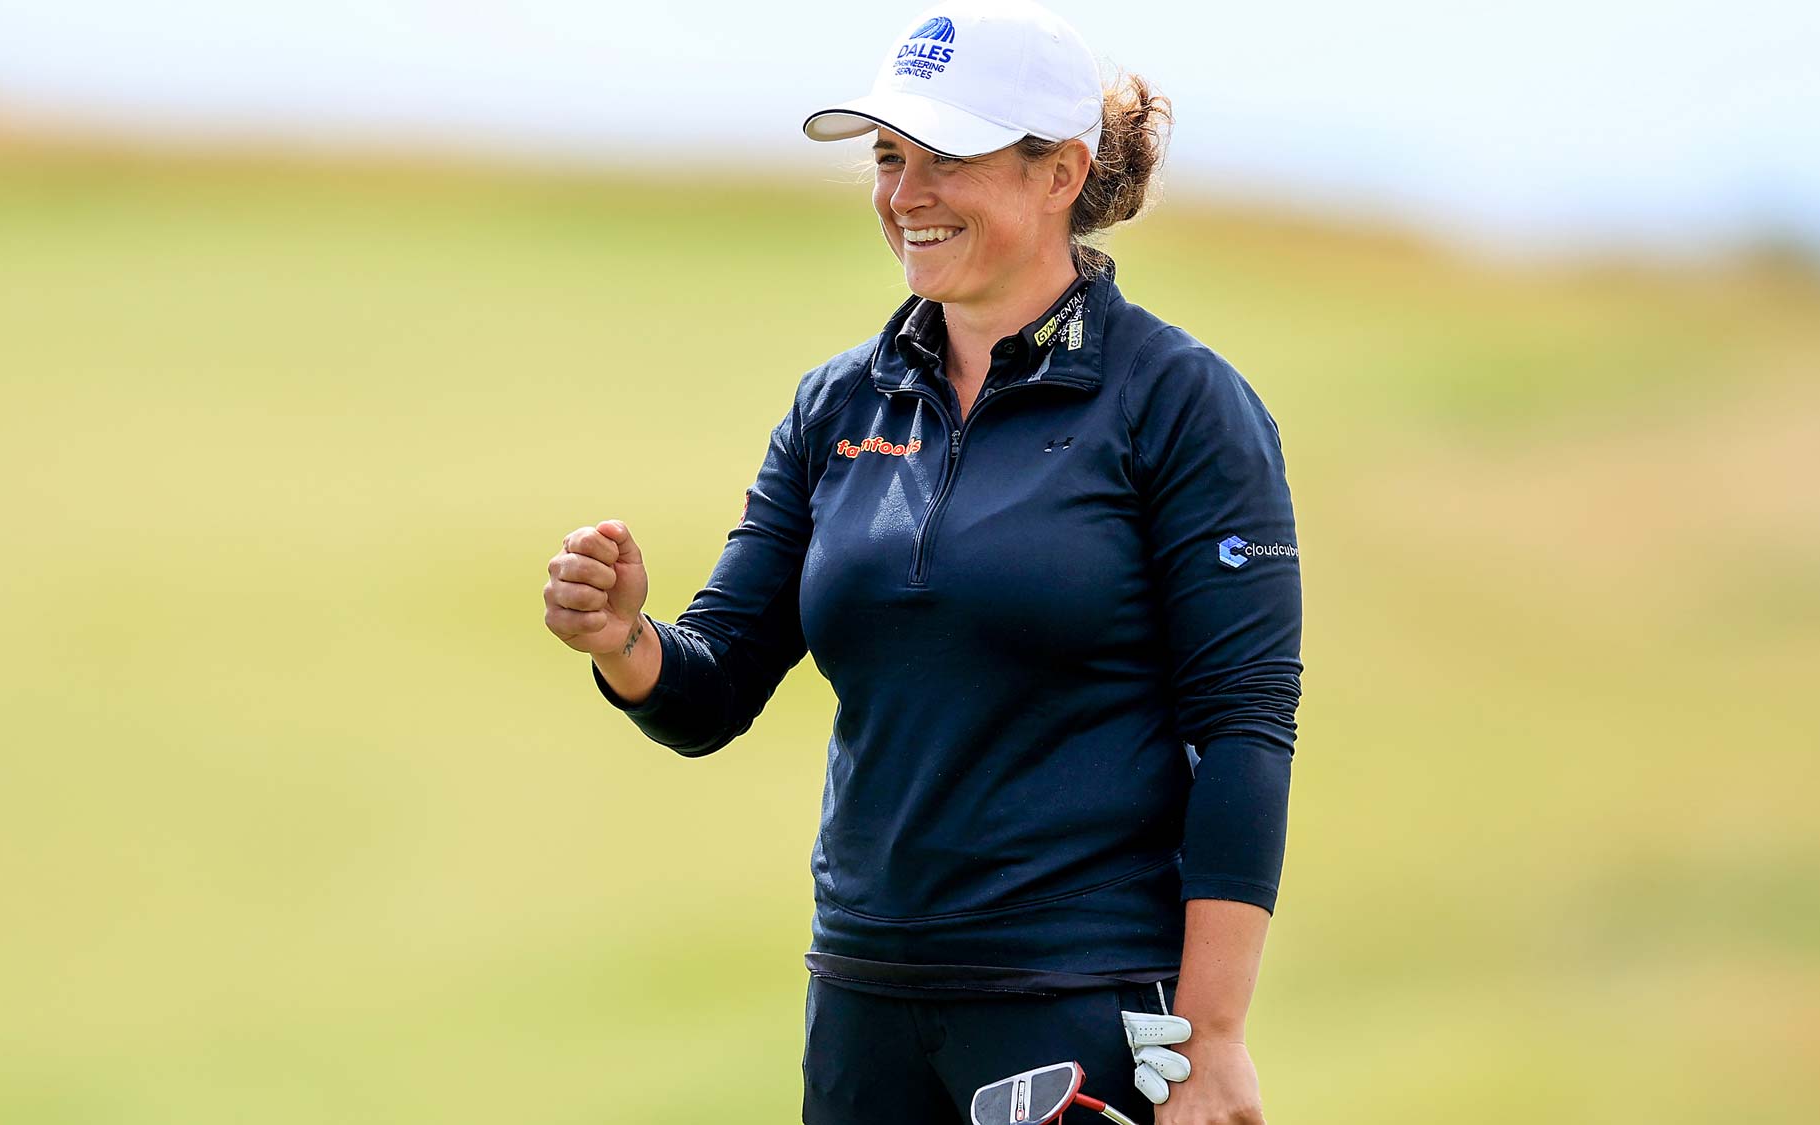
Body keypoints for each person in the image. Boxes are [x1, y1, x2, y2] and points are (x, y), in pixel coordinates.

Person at [541, 2, 1302, 1122]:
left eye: (948, 159)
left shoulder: (1178, 404)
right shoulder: (837, 403)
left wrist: (1211, 1036)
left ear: (1059, 174)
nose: (905, 196)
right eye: (889, 159)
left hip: (1076, 1001)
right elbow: (711, 686)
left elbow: (1242, 721)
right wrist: (623, 642)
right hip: (863, 1002)